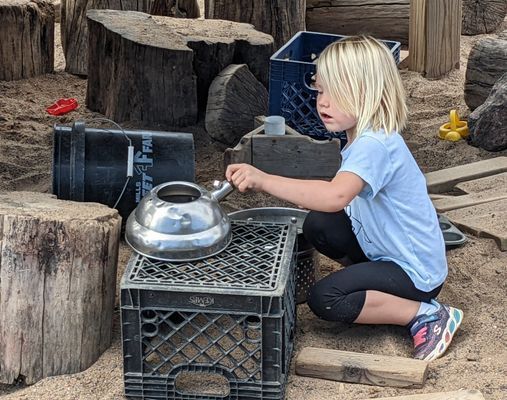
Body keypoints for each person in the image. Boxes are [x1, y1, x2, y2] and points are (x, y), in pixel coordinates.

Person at [225, 35, 463, 362]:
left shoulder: (374, 145)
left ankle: (423, 313)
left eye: (336, 92)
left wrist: (264, 179)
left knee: (326, 298)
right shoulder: (363, 136)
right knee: (319, 223)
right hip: (388, 254)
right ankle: (372, 286)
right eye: (321, 90)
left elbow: (336, 195)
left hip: (416, 273)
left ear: (367, 92)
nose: (322, 102)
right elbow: (337, 199)